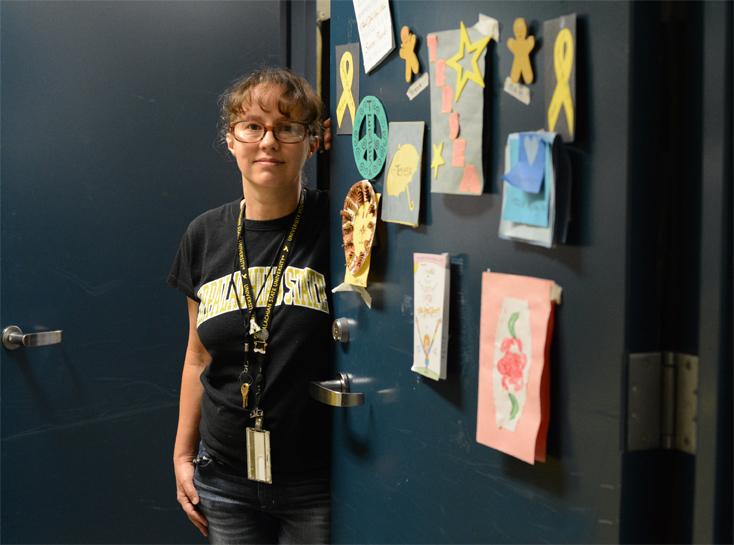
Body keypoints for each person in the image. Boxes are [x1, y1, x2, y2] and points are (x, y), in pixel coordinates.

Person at [168, 67, 333, 544]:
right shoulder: (203, 235)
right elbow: (197, 356)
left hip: (315, 480)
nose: (269, 142)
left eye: (287, 128)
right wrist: (182, 455)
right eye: (252, 127)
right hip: (224, 479)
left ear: (311, 141)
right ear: (231, 139)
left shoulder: (337, 226)